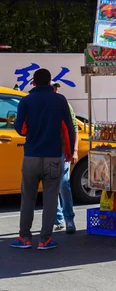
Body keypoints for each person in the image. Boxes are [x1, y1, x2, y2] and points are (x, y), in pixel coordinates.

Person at [10, 69, 75, 250]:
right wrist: (69, 153)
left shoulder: (26, 101)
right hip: (53, 156)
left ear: (33, 82)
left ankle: (25, 238)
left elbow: (20, 129)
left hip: (31, 156)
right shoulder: (60, 100)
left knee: (28, 198)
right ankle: (45, 239)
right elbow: (68, 129)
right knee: (51, 199)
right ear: (49, 82)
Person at [52, 83, 79, 234]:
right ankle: (58, 218)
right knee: (52, 185)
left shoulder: (64, 105)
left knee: (63, 184)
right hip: (48, 150)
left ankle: (69, 218)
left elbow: (74, 128)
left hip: (63, 150)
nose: (54, 91)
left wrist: (74, 150)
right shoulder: (42, 104)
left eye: (55, 89)